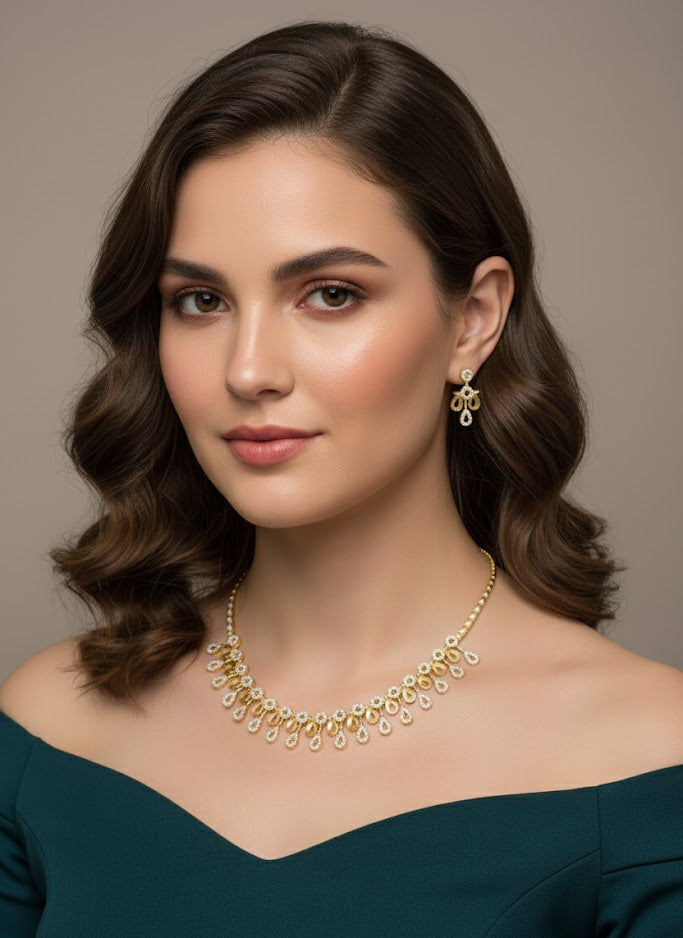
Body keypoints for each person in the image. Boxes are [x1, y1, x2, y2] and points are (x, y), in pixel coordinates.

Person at [1, 19, 681, 936]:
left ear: (473, 319)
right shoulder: (50, 726)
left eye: (330, 294)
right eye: (199, 302)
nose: (248, 370)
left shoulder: (646, 759)